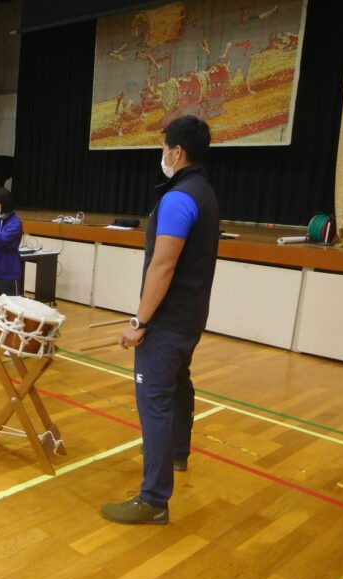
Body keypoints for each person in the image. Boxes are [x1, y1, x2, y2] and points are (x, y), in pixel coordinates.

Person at [101, 116, 220, 525]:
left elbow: (163, 266)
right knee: (180, 386)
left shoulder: (178, 198)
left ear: (178, 152)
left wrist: (138, 322)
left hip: (167, 323)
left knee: (154, 404)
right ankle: (178, 455)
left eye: (165, 147)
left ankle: (153, 500)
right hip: (191, 318)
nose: (163, 154)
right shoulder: (205, 192)